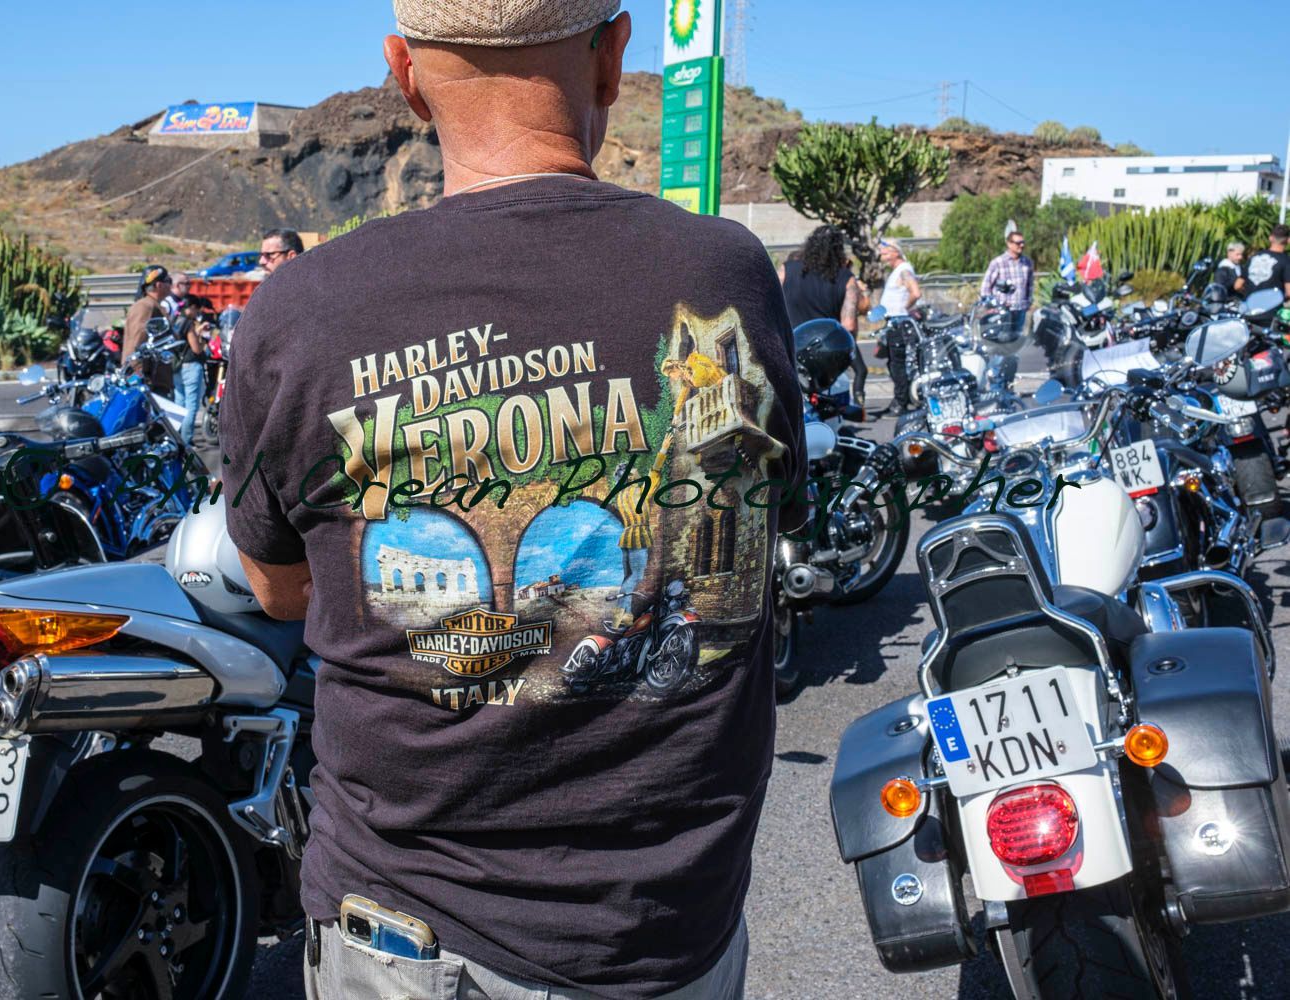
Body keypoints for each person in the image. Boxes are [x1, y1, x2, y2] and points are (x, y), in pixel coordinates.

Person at [219, 4, 806, 997]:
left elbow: (281, 592)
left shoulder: (300, 309)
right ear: (614, 57)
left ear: (405, 75)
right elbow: (742, 551)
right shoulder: (721, 276)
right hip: (669, 935)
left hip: (411, 935)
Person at [781, 224, 869, 409]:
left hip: (787, 350)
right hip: (823, 357)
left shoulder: (786, 270)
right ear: (839, 249)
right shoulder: (846, 279)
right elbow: (849, 326)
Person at [876, 238, 921, 413]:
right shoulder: (898, 271)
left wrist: (905, 308)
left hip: (900, 323)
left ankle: (900, 403)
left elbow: (915, 292)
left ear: (896, 251)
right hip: (894, 322)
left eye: (886, 250)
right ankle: (901, 398)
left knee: (898, 363)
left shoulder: (904, 270)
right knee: (894, 363)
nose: (882, 253)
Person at [121, 263, 175, 394]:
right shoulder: (145, 307)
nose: (171, 285)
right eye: (169, 281)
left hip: (156, 379)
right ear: (158, 285)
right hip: (147, 381)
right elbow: (137, 342)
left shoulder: (154, 305)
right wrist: (138, 374)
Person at [172, 294, 208, 445]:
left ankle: (175, 438)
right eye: (197, 310)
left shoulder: (174, 321)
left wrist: (197, 331)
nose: (197, 314)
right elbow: (196, 349)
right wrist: (203, 343)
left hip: (176, 367)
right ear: (191, 308)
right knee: (191, 405)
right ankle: (186, 440)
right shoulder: (187, 323)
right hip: (191, 366)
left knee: (178, 403)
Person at [981, 230, 1036, 312]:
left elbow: (1030, 286)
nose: (1022, 245)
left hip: (1020, 310)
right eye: (1018, 243)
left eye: (1023, 242)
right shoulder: (998, 262)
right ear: (1009, 244)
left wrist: (1028, 302)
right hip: (1001, 310)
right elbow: (986, 286)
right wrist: (989, 306)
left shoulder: (1027, 263)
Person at [1244, 225, 1290, 299]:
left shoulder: (1254, 257)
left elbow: (1238, 285)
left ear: (1270, 238)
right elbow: (1289, 292)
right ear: (1288, 240)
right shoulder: (1286, 261)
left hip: (1249, 307)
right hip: (1272, 308)